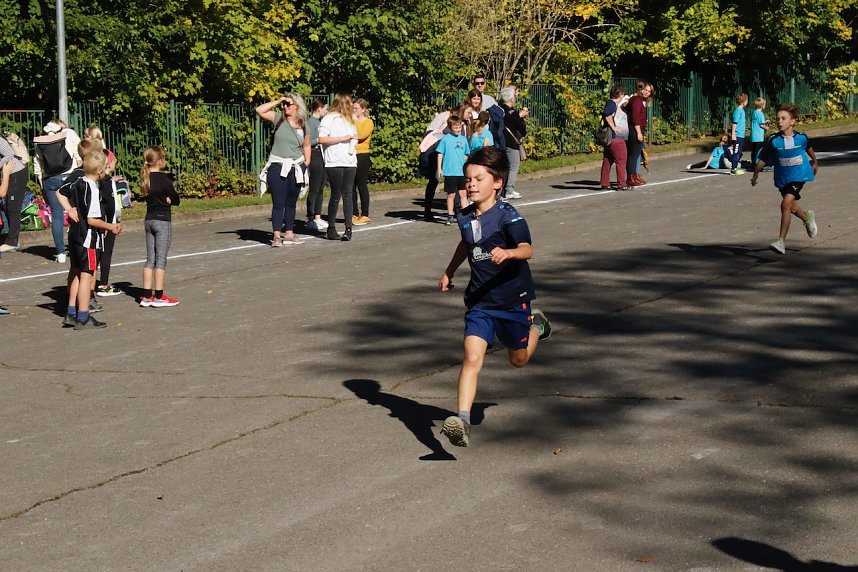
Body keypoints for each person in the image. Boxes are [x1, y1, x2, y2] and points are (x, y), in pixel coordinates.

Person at [437, 147, 551, 447]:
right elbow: (466, 243)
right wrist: (449, 271)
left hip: (513, 300)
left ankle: (536, 327)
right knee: (472, 358)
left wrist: (510, 252)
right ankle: (462, 421)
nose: (471, 184)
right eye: (467, 179)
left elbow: (528, 249)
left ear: (497, 182)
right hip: (480, 302)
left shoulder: (509, 218)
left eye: (478, 178)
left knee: (518, 360)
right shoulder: (463, 216)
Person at [59, 150, 121, 329]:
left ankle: (71, 311)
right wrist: (111, 226)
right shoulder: (93, 189)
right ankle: (83, 315)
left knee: (77, 271)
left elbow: (60, 192)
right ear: (101, 171)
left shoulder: (78, 181)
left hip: (75, 234)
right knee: (87, 276)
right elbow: (93, 219)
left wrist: (70, 209)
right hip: (89, 238)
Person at [750, 104, 818, 255]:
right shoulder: (774, 141)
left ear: (792, 121)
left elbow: (809, 148)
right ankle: (807, 217)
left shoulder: (801, 138)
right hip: (783, 178)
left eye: (783, 118)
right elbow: (763, 159)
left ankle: (781, 241)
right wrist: (755, 174)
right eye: (778, 119)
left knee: (785, 203)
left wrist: (815, 161)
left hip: (799, 175)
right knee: (791, 207)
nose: (779, 121)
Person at [255, 93, 311, 246]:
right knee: (278, 203)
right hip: (277, 166)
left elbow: (306, 145)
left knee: (291, 202)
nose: (285, 107)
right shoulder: (279, 119)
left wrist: (306, 163)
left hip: (296, 167)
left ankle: (290, 233)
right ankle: (277, 236)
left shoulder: (303, 124)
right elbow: (260, 110)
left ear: (297, 106)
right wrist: (279, 100)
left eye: (289, 104)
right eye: (284, 104)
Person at [33, 119, 82, 262]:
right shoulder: (69, 133)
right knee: (76, 211)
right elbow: (79, 155)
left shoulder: (40, 140)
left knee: (57, 216)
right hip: (69, 177)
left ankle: (60, 253)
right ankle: (78, 247)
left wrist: (42, 184)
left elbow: (38, 165)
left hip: (50, 180)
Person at [139, 146, 181, 307]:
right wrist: (169, 199)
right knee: (161, 259)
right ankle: (159, 296)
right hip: (162, 220)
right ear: (160, 161)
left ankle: (146, 295)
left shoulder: (145, 177)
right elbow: (176, 199)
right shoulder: (164, 179)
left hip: (149, 219)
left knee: (150, 258)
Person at [318, 92, 358, 241]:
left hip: (349, 161)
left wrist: (354, 139)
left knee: (348, 194)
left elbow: (355, 136)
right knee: (336, 194)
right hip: (334, 161)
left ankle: (348, 229)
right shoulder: (329, 119)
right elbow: (321, 139)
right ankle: (331, 228)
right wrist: (342, 138)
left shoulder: (349, 120)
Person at [436, 115, 471, 225]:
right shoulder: (445, 139)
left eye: (459, 127)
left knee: (463, 194)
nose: (458, 129)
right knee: (451, 195)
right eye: (455, 127)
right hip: (450, 172)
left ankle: (465, 215)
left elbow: (466, 153)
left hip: (461, 172)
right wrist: (439, 168)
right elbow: (440, 153)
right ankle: (450, 215)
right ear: (450, 127)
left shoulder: (463, 139)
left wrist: (464, 161)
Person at [599, 83, 630, 191]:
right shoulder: (612, 103)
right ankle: (621, 184)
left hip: (609, 138)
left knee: (608, 160)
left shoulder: (610, 103)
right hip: (615, 138)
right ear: (620, 94)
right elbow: (607, 113)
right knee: (621, 160)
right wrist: (614, 127)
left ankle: (604, 183)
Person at [499, 85, 528, 199]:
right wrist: (522, 117)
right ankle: (509, 189)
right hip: (512, 142)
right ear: (511, 98)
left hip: (501, 142)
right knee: (514, 166)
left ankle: (503, 190)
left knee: (505, 167)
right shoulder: (513, 112)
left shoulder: (500, 110)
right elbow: (522, 129)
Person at [0, 135, 28, 253]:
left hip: (16, 174)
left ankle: (12, 241)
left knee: (13, 208)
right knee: (7, 207)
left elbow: (9, 155)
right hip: (10, 174)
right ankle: (13, 239)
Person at [305, 98, 329, 233]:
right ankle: (310, 217)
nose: (326, 110)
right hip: (314, 155)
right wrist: (321, 140)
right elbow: (309, 141)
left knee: (320, 186)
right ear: (319, 108)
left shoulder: (320, 122)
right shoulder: (310, 122)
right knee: (314, 187)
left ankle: (318, 216)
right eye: (325, 108)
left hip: (322, 155)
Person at [351, 98, 374, 226]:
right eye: (353, 108)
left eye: (356, 109)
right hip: (351, 154)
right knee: (351, 186)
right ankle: (354, 213)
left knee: (361, 185)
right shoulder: (352, 121)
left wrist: (355, 122)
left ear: (363, 109)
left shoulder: (368, 122)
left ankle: (365, 214)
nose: (354, 111)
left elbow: (360, 135)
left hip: (362, 155)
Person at [625, 81, 652, 187]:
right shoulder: (636, 100)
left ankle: (634, 175)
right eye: (645, 90)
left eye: (649, 91)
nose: (646, 92)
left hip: (636, 130)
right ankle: (630, 177)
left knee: (636, 155)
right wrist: (639, 133)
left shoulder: (638, 100)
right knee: (633, 155)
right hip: (634, 131)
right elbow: (635, 118)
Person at [729, 93, 749, 175]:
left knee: (739, 152)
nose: (747, 102)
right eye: (747, 100)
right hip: (737, 135)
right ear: (744, 102)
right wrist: (733, 134)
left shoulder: (742, 111)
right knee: (736, 152)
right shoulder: (738, 111)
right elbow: (734, 123)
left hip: (741, 135)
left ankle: (735, 166)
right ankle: (733, 169)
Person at [750, 97, 770, 170]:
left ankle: (753, 164)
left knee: (754, 150)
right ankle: (757, 165)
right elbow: (761, 125)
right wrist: (767, 127)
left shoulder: (754, 112)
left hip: (754, 135)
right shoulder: (761, 114)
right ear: (762, 105)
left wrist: (765, 121)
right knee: (759, 151)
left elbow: (757, 122)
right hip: (759, 136)